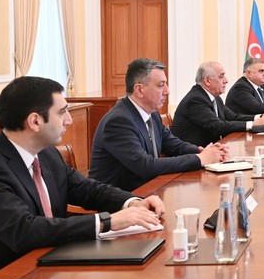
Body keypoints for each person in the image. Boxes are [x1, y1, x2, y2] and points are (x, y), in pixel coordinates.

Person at [0, 76, 165, 271]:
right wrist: (107, 222)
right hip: (12, 275)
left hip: (54, 260)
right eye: (62, 112)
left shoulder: (47, 153)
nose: (68, 120)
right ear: (35, 121)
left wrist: (132, 202)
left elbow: (87, 189)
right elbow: (23, 230)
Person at [90, 58, 227, 191]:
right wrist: (199, 159)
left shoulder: (152, 114)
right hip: (121, 198)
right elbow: (145, 166)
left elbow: (171, 143)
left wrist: (201, 151)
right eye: (161, 85)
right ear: (139, 90)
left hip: (149, 190)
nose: (167, 91)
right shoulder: (118, 121)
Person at [171, 61, 264, 147]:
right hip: (195, 155)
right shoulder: (195, 100)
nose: (226, 81)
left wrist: (261, 117)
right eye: (221, 77)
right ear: (207, 80)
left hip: (213, 149)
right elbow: (218, 126)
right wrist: (253, 124)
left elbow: (233, 117)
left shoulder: (214, 97)